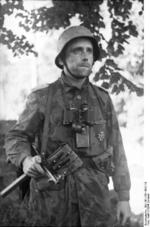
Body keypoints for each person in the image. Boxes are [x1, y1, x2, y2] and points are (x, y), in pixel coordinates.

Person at [5, 25, 131, 227]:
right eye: (77, 50)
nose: (85, 56)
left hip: (96, 205)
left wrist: (124, 197)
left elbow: (117, 146)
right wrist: (26, 160)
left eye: (89, 51)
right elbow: (16, 137)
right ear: (62, 59)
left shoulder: (102, 99)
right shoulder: (43, 97)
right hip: (52, 206)